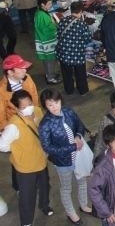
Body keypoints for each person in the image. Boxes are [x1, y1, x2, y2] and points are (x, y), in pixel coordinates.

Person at [38, 88, 90, 225]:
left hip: (78, 155)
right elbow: (47, 147)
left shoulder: (68, 111)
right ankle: (71, 214)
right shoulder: (45, 124)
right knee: (66, 188)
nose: (54, 107)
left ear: (61, 100)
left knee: (82, 180)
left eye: (56, 102)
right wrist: (72, 147)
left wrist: (78, 136)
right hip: (63, 161)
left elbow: (79, 124)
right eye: (50, 104)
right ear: (45, 106)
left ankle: (84, 205)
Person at [0, 90, 52, 225]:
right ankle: (27, 221)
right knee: (27, 195)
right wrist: (18, 149)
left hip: (41, 159)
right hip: (26, 167)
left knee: (45, 186)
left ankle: (44, 205)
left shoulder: (37, 111)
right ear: (16, 108)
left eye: (29, 104)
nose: (29, 108)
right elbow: (2, 145)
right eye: (23, 107)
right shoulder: (13, 125)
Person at [56, 0, 92, 95]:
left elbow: (58, 35)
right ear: (80, 12)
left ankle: (69, 90)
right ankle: (83, 90)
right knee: (80, 73)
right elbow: (88, 39)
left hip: (63, 53)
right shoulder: (82, 24)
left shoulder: (62, 21)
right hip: (77, 54)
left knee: (66, 74)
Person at [0, 54, 40, 132]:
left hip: (31, 117)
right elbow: (1, 114)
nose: (25, 70)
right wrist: (5, 129)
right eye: (20, 68)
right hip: (15, 123)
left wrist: (35, 111)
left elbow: (34, 97)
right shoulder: (1, 90)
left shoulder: (27, 78)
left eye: (24, 67)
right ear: (10, 72)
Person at [34, 0, 58, 85]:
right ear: (42, 5)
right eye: (49, 4)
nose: (51, 5)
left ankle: (49, 74)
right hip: (47, 41)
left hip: (45, 40)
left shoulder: (41, 12)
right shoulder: (41, 15)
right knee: (50, 60)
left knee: (47, 60)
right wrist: (56, 26)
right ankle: (50, 78)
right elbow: (45, 29)